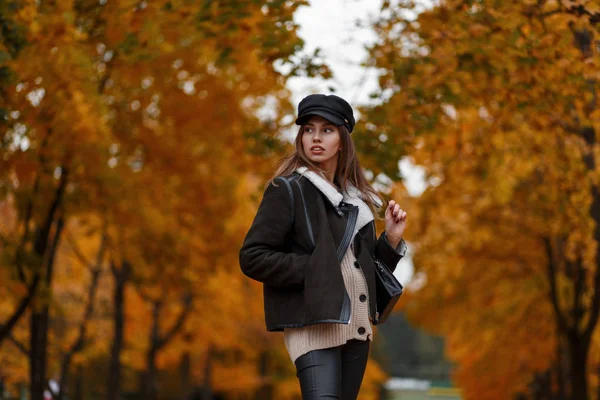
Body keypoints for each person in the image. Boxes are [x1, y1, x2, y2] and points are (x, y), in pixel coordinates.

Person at [239, 94, 408, 400]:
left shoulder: (358, 202)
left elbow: (363, 268)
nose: (315, 137)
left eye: (327, 130)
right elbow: (253, 257)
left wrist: (391, 240)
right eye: (308, 129)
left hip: (357, 329)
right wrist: (315, 268)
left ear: (343, 140)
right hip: (314, 327)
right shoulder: (287, 188)